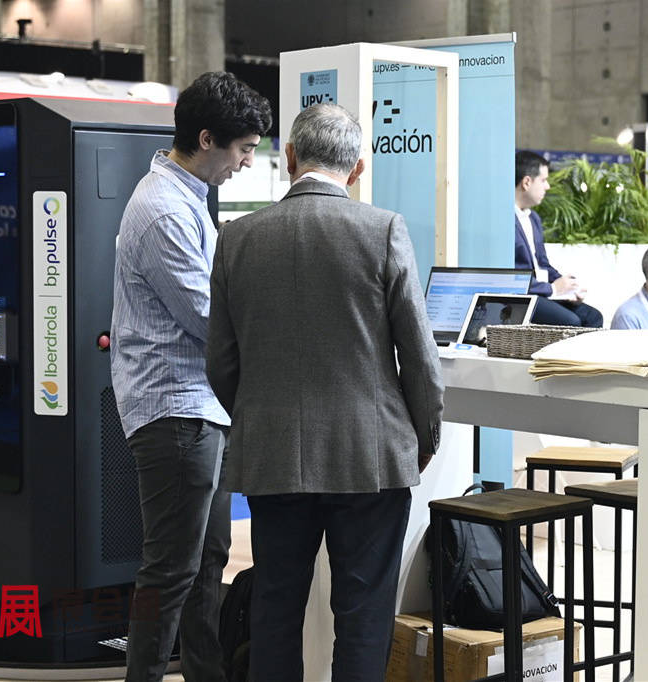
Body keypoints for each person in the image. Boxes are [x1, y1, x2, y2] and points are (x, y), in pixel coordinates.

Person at [206, 102, 444, 681]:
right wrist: (423, 436)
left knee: (275, 608)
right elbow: (418, 355)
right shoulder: (382, 230)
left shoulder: (237, 238)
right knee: (363, 614)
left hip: (273, 452)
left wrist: (259, 415)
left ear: (289, 157)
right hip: (370, 454)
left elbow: (220, 361)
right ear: (358, 168)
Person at [111, 71, 271, 682]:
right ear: (207, 139)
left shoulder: (186, 199)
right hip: (174, 411)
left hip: (200, 407)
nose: (246, 162)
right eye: (243, 150)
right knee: (169, 570)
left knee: (207, 562)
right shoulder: (163, 212)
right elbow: (209, 318)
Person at [514, 151, 603, 327]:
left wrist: (568, 286)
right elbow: (511, 275)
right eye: (543, 180)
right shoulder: (504, 221)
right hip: (523, 295)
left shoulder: (533, 218)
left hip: (543, 292)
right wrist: (553, 289)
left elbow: (543, 264)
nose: (547, 187)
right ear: (527, 182)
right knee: (571, 321)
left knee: (593, 317)